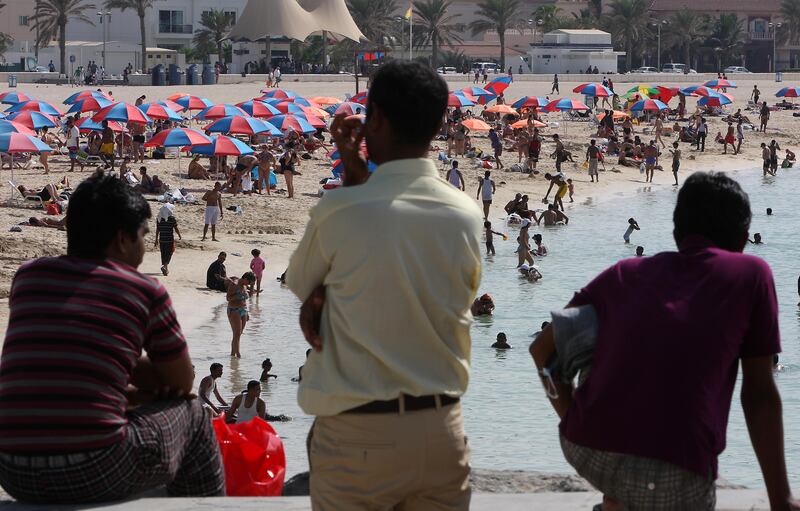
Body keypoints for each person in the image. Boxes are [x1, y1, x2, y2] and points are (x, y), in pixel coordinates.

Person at [529, 172, 800, 511]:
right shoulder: (752, 273)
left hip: (587, 448)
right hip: (679, 466)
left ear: (676, 231)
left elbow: (542, 350)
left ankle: (618, 500)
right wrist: (781, 499)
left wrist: (573, 422)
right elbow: (759, 393)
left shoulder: (623, 273)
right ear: (744, 239)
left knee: (598, 334)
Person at [286, 61, 479, 509]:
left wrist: (355, 179)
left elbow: (302, 287)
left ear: (376, 119)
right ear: (437, 124)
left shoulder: (340, 211)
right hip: (441, 431)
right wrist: (359, 182)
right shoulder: (466, 215)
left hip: (357, 434)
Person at [0, 175, 224, 504]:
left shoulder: (29, 276)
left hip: (12, 469)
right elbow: (181, 382)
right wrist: (145, 379)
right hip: (93, 468)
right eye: (142, 238)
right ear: (122, 239)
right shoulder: (143, 289)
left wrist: (129, 374)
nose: (143, 249)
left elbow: (71, 364)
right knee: (192, 414)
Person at [227, 272, 254, 358]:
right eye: (249, 282)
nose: (249, 284)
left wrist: (247, 312)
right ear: (245, 279)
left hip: (243, 310)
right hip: (234, 310)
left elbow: (244, 301)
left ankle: (232, 354)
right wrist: (238, 296)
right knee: (237, 333)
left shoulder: (245, 286)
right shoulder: (234, 284)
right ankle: (238, 355)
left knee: (238, 334)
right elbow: (228, 298)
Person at [154, 206, 181, 276]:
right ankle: (165, 266)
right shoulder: (172, 218)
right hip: (169, 239)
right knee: (170, 252)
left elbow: (157, 230)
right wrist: (179, 235)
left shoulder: (159, 218)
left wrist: (156, 239)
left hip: (162, 239)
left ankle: (166, 268)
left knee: (163, 253)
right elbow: (176, 228)